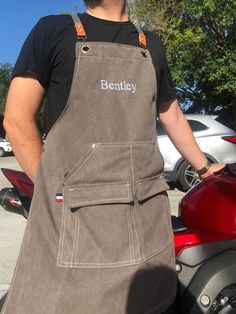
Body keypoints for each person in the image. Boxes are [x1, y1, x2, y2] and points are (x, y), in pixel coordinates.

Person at [2, 1, 224, 313]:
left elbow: (171, 113)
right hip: (78, 219)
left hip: (144, 217)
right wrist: (52, 191)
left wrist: (204, 168)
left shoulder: (152, 46)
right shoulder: (54, 31)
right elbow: (16, 119)